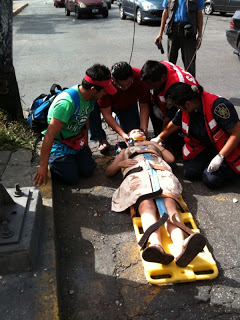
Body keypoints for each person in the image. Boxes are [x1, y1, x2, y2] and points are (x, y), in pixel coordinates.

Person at [106, 129, 206, 267]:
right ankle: (156, 246)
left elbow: (170, 159)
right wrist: (119, 164)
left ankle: (181, 247)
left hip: (161, 174)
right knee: (145, 206)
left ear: (145, 136)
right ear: (128, 138)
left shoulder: (154, 147)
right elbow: (109, 172)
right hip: (138, 177)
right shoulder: (126, 151)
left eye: (140, 131)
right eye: (133, 131)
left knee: (169, 205)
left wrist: (155, 145)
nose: (137, 131)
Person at [33, 63, 117, 186]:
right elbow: (49, 135)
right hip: (59, 142)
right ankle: (53, 160)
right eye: (104, 91)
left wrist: (85, 144)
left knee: (88, 170)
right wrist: (43, 167)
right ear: (93, 89)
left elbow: (84, 121)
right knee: (71, 178)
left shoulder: (90, 99)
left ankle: (71, 159)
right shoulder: (66, 104)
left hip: (75, 139)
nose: (105, 94)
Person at [154, 83, 240, 189]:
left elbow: (236, 133)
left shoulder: (218, 106)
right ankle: (209, 168)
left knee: (211, 180)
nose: (180, 110)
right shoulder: (187, 108)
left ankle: (230, 171)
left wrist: (220, 157)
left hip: (228, 150)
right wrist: (159, 137)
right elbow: (175, 123)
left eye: (180, 107)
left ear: (188, 104)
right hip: (205, 148)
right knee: (189, 172)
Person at [140, 60, 199, 153]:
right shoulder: (160, 68)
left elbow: (170, 118)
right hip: (174, 100)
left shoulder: (174, 90)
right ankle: (160, 135)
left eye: (152, 84)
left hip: (190, 111)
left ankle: (171, 144)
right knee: (151, 105)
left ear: (163, 78)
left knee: (173, 143)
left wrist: (161, 139)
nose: (150, 87)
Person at [97, 62, 150, 145]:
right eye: (121, 86)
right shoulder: (105, 84)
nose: (125, 88)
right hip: (107, 105)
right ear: (113, 80)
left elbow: (144, 105)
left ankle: (116, 119)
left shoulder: (140, 78)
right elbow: (106, 114)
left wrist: (144, 129)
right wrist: (122, 134)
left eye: (129, 84)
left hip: (127, 104)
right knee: (92, 111)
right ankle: (100, 138)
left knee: (131, 130)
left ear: (132, 77)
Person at [154, 0, 204, 78]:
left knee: (190, 65)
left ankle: (190, 87)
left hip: (188, 32)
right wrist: (160, 34)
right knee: (170, 64)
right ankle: (170, 86)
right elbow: (165, 12)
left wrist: (200, 37)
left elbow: (199, 15)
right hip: (173, 30)